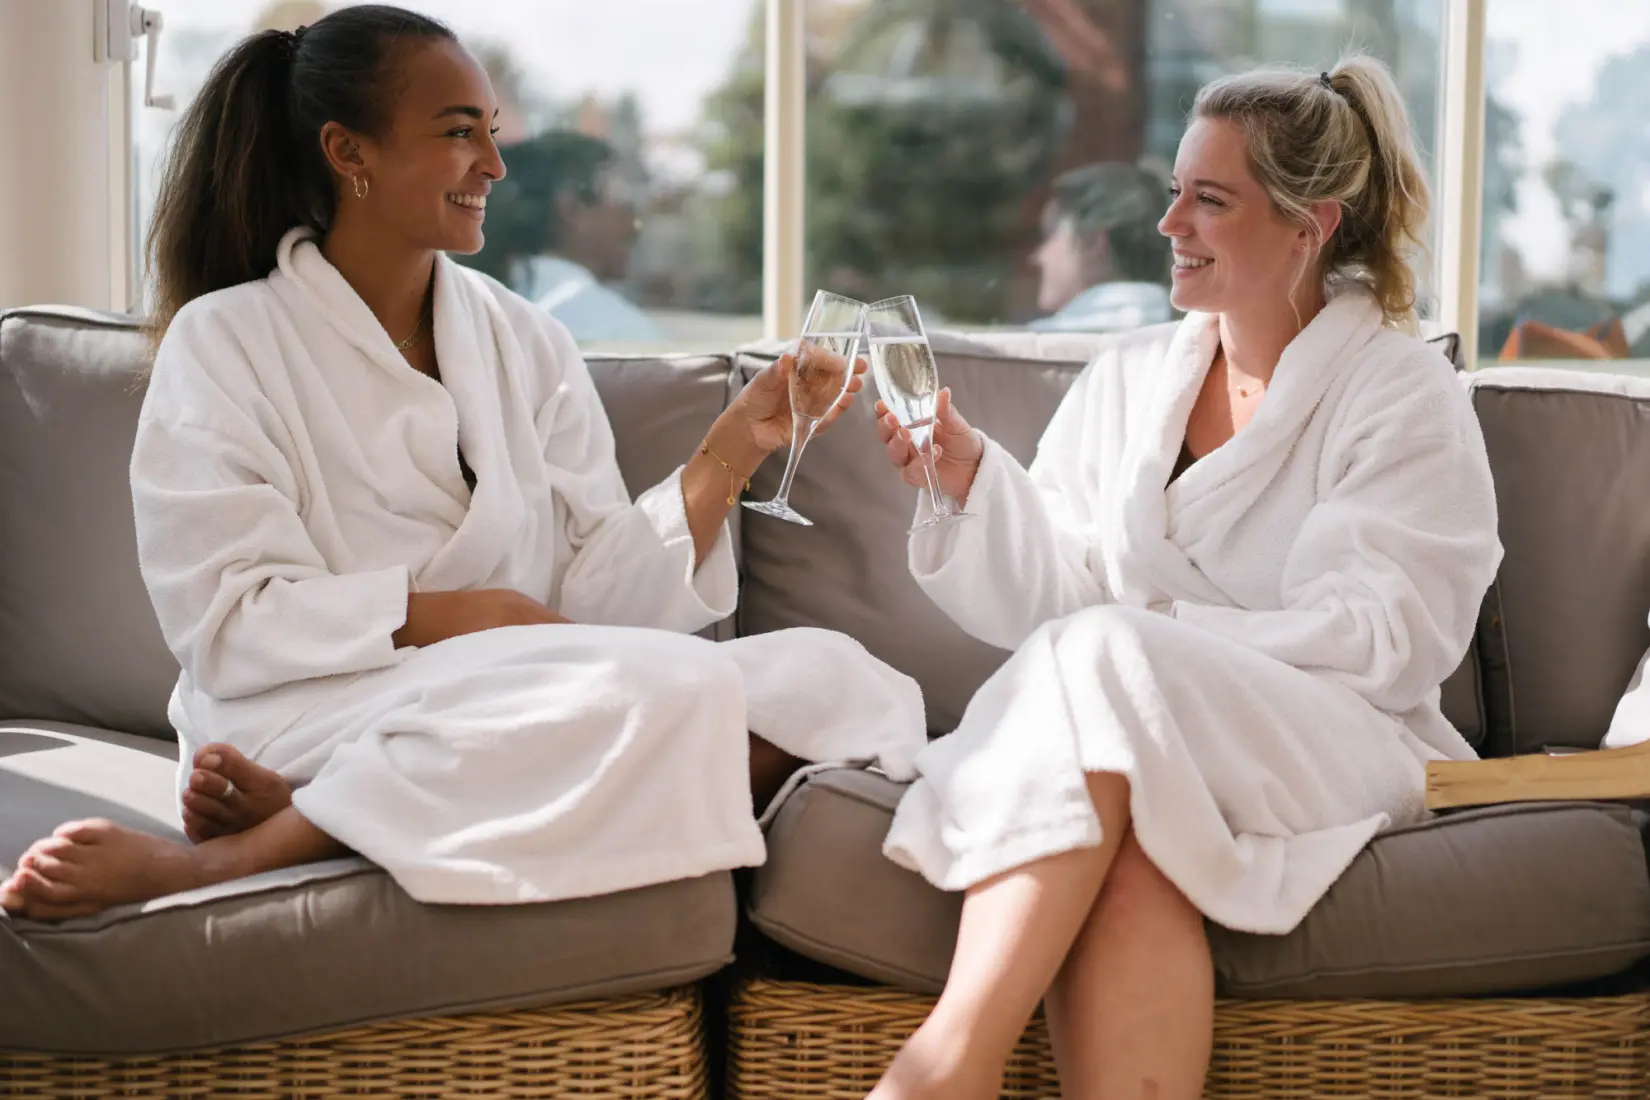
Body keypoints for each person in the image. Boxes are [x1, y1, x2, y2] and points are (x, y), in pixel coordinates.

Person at [0, 5, 924, 922]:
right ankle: (228, 863)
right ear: (348, 152)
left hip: (522, 696)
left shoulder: (524, 339)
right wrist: (466, 616)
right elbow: (227, 621)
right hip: (311, 704)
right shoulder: (226, 341)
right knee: (647, 702)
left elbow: (594, 602)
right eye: (458, 132)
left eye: (492, 131)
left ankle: (334, 819)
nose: (495, 163)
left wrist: (737, 446)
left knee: (837, 678)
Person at [871, 57, 1501, 1099]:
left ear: (1312, 224)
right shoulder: (1131, 377)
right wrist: (973, 480)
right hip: (1142, 732)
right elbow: (1062, 602)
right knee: (1126, 850)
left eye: (1210, 201)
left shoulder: (1398, 388)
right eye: (1173, 192)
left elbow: (1390, 633)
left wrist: (1158, 642)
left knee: (1110, 654)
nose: (1170, 225)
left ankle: (947, 1066)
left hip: (1337, 737)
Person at [490, 130, 662, 343]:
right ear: (571, 209)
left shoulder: (473, 303)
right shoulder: (615, 328)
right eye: (626, 205)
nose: (635, 226)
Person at [1028, 161, 1174, 333]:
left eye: (1050, 234)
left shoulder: (1032, 349)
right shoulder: (1186, 334)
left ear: (1093, 241)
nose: (1038, 256)